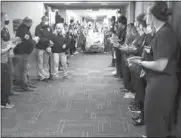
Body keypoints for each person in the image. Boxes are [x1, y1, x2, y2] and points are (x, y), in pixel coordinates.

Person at [128, 2, 179, 137]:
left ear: (152, 16)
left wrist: (141, 62)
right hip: (156, 82)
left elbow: (161, 65)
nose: (145, 18)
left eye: (147, 14)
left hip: (162, 84)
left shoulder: (165, 34)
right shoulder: (160, 33)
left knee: (157, 121)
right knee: (154, 119)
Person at [13, 17, 39, 92]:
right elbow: (27, 41)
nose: (31, 24)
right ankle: (24, 85)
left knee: (25, 69)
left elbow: (28, 39)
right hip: (22, 53)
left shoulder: (24, 29)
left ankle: (26, 82)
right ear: (27, 22)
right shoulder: (23, 30)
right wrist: (34, 41)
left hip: (24, 53)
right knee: (23, 70)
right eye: (31, 23)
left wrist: (32, 40)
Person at [1, 12, 19, 108]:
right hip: (2, 60)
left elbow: (7, 41)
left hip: (6, 57)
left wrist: (13, 43)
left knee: (8, 78)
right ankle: (4, 102)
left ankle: (6, 99)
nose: (7, 19)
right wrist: (9, 47)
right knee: (4, 81)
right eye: (6, 17)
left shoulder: (5, 29)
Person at [35, 16, 54, 81]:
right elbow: (39, 38)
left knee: (46, 62)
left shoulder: (49, 27)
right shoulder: (38, 27)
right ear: (42, 20)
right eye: (45, 20)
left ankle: (47, 75)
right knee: (40, 62)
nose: (46, 21)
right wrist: (48, 41)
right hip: (40, 47)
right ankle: (42, 76)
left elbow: (51, 36)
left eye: (47, 20)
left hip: (47, 47)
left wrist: (49, 44)